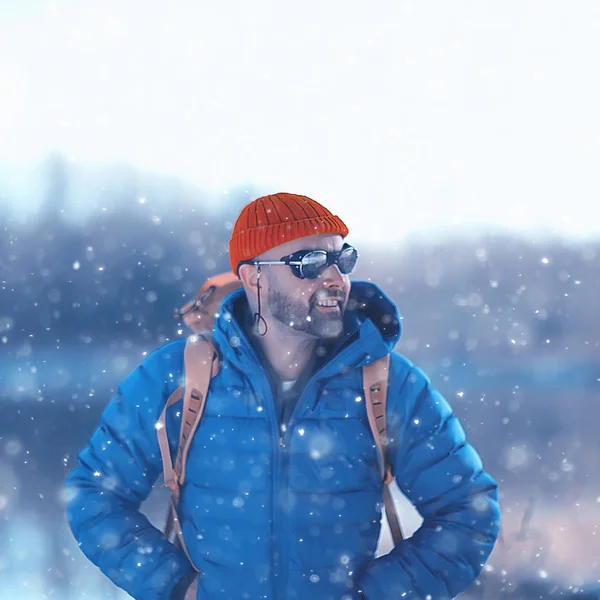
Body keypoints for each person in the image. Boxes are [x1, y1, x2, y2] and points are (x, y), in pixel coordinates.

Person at [65, 192, 500, 600]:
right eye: (309, 263)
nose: (335, 278)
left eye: (342, 258)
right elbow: (94, 496)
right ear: (253, 277)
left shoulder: (388, 383)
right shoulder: (177, 377)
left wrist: (377, 593)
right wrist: (178, 588)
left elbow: (469, 511)